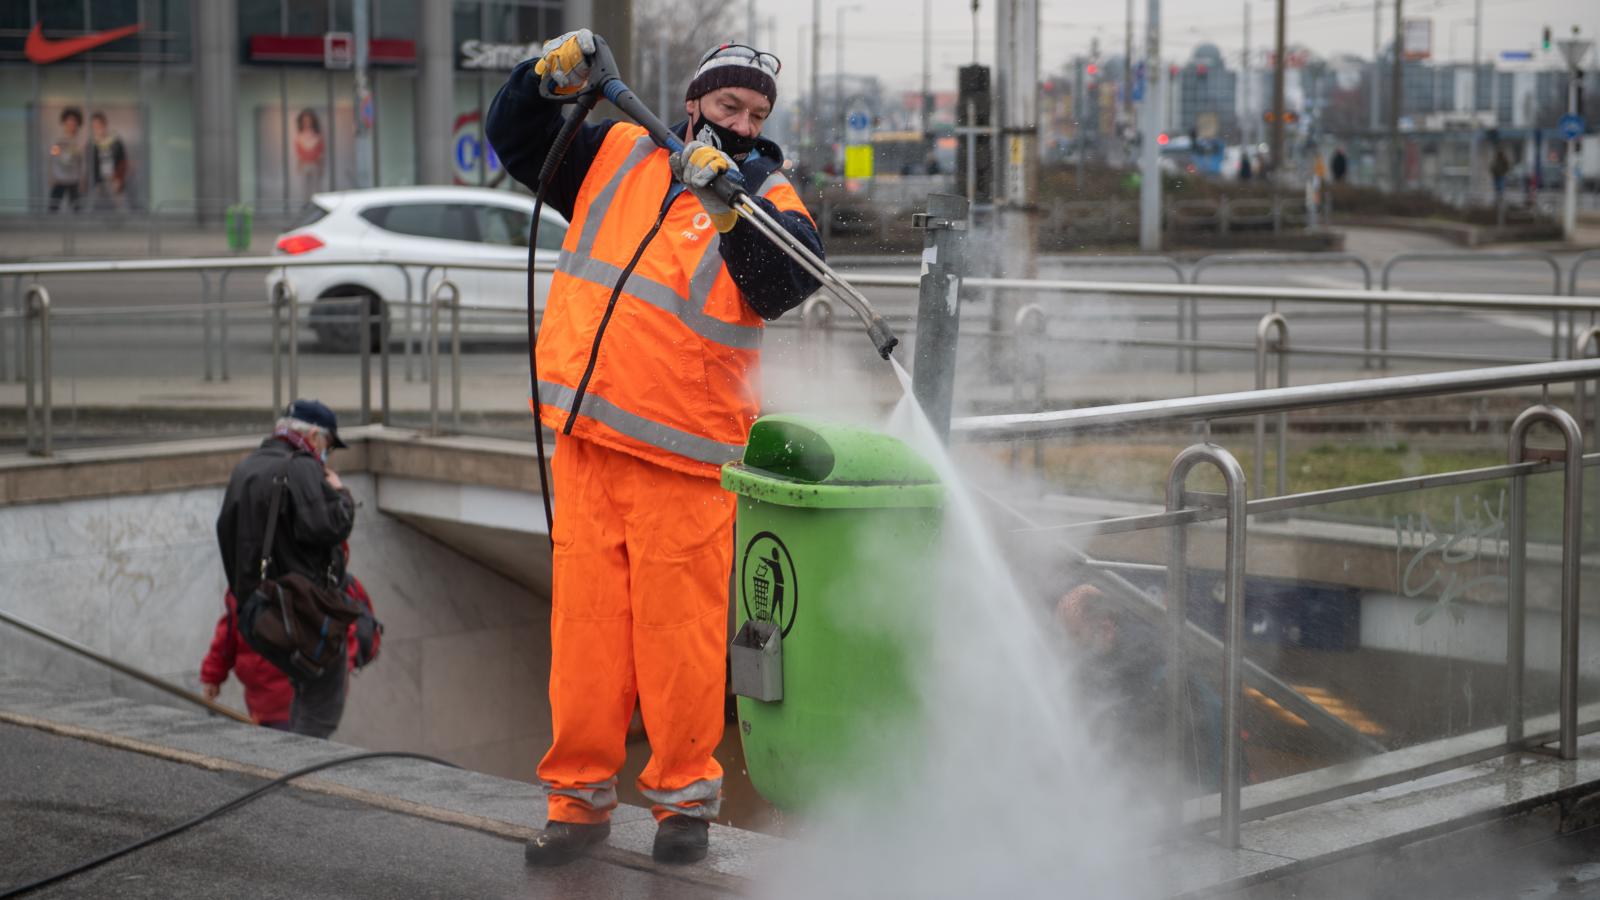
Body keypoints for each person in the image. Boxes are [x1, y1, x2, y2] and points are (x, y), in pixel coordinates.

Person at [486, 31, 821, 866]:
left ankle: (683, 808)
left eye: (756, 111)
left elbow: (789, 282)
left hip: (685, 457)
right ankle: (577, 803)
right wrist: (542, 78)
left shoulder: (770, 194)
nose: (741, 121)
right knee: (587, 638)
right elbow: (516, 139)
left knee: (683, 643)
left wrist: (728, 203)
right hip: (591, 441)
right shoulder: (619, 152)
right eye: (728, 105)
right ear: (695, 102)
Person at [215, 399, 355, 739]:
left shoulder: (247, 467)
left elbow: (225, 533)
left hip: (257, 613)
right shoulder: (301, 465)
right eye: (328, 445)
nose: (326, 455)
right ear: (313, 436)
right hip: (295, 612)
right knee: (323, 696)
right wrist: (341, 495)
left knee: (303, 687)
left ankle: (289, 768)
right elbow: (328, 526)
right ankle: (298, 779)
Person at [1055, 585, 1232, 792]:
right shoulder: (1104, 662)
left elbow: (1144, 755)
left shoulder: (1156, 673)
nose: (1067, 646)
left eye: (1075, 635)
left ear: (1106, 628)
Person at [200, 544, 380, 731]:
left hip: (293, 697)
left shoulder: (319, 583)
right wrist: (213, 675)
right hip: (268, 699)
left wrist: (213, 676)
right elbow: (228, 634)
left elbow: (344, 634)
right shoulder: (250, 586)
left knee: (291, 747)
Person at [87, 112, 129, 212]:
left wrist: (119, 178)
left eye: (98, 125)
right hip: (98, 181)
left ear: (104, 125)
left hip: (114, 179)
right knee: (93, 206)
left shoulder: (115, 141)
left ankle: (124, 226)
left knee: (120, 206)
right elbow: (90, 164)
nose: (96, 129)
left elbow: (123, 161)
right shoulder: (92, 144)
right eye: (94, 126)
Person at [47, 107, 85, 213]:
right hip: (59, 178)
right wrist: (51, 175)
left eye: (74, 122)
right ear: (64, 123)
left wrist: (82, 178)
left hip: (74, 178)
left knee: (77, 209)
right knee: (53, 207)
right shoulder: (58, 140)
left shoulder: (80, 141)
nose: (71, 124)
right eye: (69, 121)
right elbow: (53, 157)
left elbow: (83, 162)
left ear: (77, 124)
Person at [293, 109, 325, 202]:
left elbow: (320, 151)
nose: (307, 123)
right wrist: (299, 164)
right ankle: (305, 204)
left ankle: (316, 203)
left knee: (316, 187)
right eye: (305, 121)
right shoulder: (299, 136)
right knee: (304, 188)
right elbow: (298, 152)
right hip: (304, 165)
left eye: (309, 120)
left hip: (315, 164)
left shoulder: (317, 136)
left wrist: (320, 165)